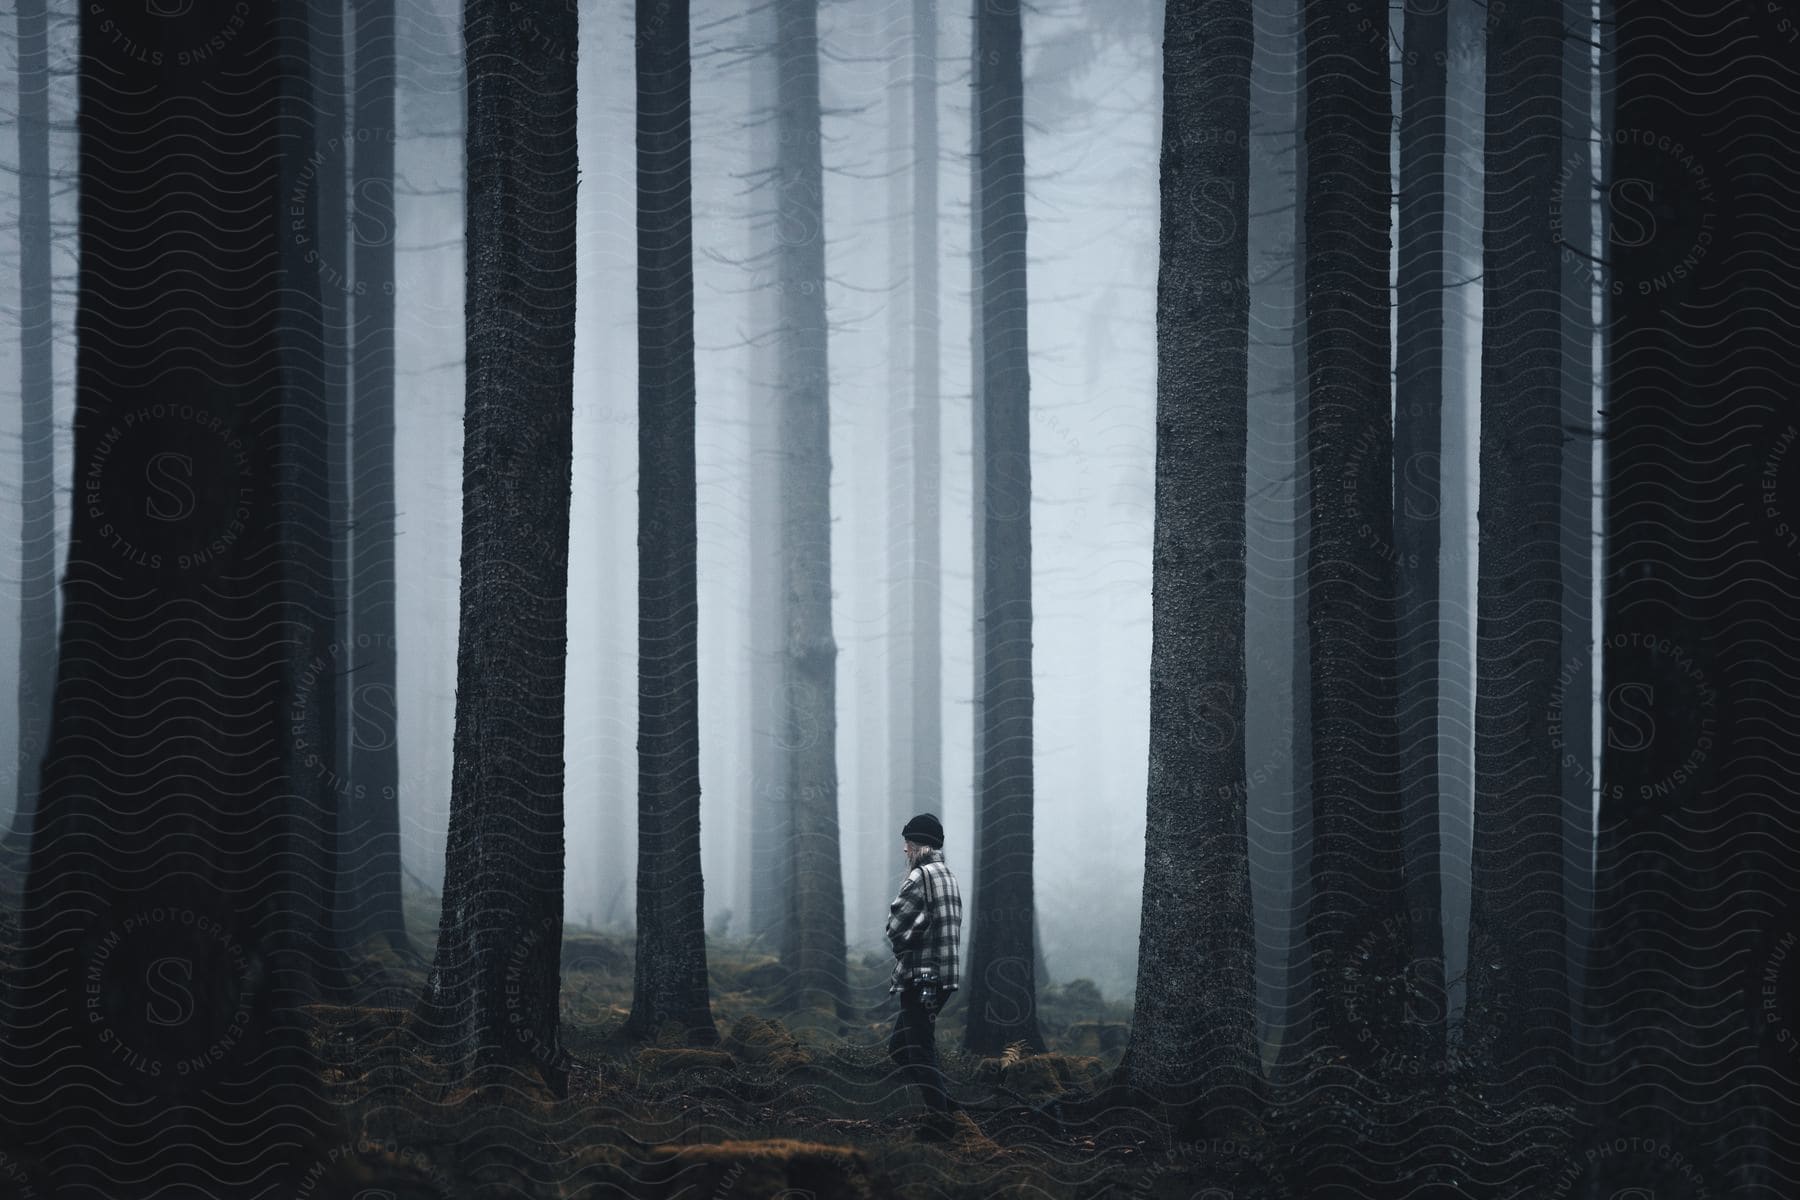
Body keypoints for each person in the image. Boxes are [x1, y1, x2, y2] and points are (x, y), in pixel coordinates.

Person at [885, 812, 962, 1129]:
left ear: (921, 847)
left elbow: (895, 927)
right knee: (901, 1048)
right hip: (944, 978)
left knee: (918, 1051)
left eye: (909, 842)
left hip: (921, 978)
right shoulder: (947, 876)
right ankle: (949, 1108)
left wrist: (904, 943)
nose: (905, 849)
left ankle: (942, 1124)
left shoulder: (919, 878)